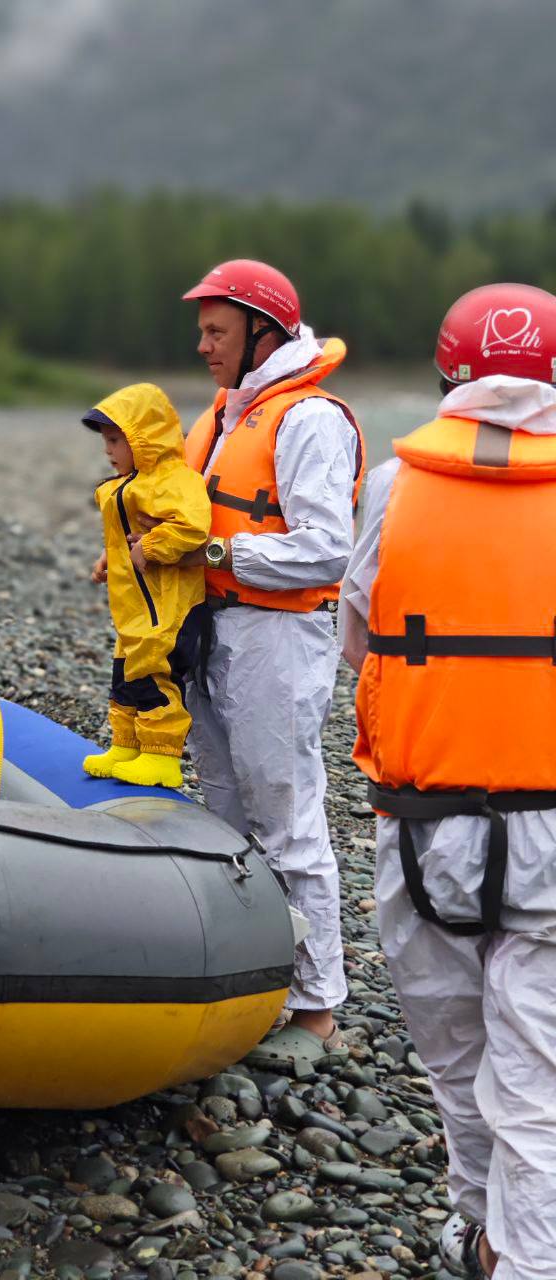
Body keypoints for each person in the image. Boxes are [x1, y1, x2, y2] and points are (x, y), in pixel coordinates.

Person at [339, 282, 556, 1280]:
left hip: (425, 828)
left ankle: (488, 1232)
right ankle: (519, 1253)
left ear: (447, 375)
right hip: (552, 828)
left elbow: (359, 640)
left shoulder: (392, 485)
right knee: (538, 1074)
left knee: (459, 1061)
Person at [181, 259, 365, 1067]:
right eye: (201, 331)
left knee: (286, 817)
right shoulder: (227, 413)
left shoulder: (309, 419)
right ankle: (244, 978)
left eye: (216, 331)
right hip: (213, 628)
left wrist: (217, 549)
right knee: (222, 806)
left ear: (263, 332)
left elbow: (328, 549)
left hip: (278, 638)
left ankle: (317, 1002)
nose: (203, 346)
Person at [82, 383, 211, 789]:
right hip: (132, 607)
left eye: (116, 440)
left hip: (166, 604)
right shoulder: (129, 483)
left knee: (156, 671)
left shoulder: (172, 480)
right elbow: (124, 534)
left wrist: (154, 546)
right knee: (125, 672)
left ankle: (161, 756)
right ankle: (127, 742)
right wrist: (110, 556)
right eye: (106, 441)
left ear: (145, 439)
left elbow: (193, 526)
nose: (108, 450)